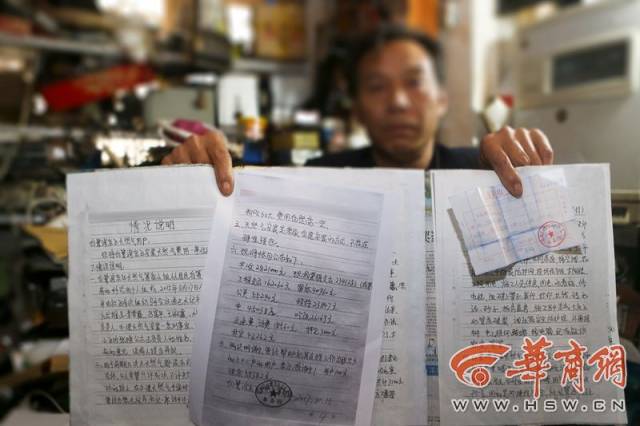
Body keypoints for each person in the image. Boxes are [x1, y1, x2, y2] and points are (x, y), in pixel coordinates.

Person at [161, 24, 553, 197]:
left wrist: (523, 167)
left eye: (414, 82)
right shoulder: (318, 178)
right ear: (358, 111)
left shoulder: (479, 171)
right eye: (377, 86)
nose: (398, 101)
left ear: (442, 99)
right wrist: (198, 182)